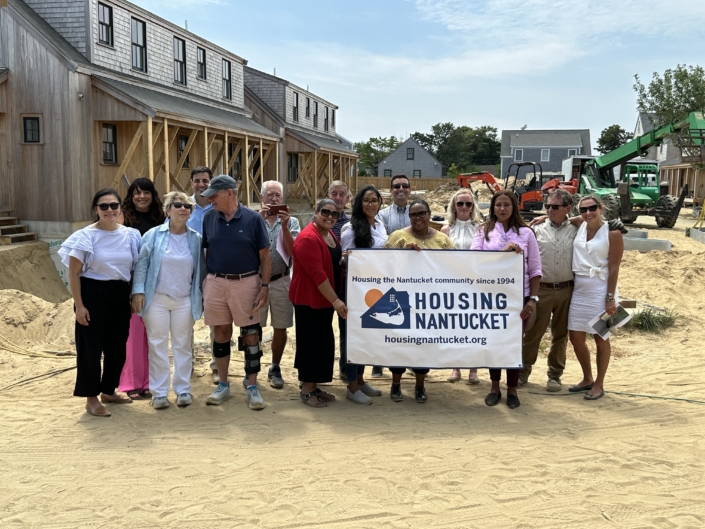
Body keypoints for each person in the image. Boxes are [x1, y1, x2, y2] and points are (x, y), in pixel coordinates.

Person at [59, 188, 141, 417]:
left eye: (113, 205)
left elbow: (135, 269)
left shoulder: (131, 235)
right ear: (96, 209)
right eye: (103, 206)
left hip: (120, 295)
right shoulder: (85, 236)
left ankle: (108, 390)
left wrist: (135, 294)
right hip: (92, 294)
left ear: (120, 208)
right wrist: (79, 306)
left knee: (117, 348)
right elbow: (74, 274)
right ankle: (91, 398)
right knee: (91, 350)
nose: (109, 210)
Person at [200, 175, 271, 410]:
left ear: (230, 192)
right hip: (216, 282)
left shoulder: (253, 219)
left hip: (247, 282)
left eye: (214, 194)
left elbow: (265, 256)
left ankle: (251, 385)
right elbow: (207, 251)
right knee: (220, 332)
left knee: (251, 334)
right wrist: (207, 282)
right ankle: (223, 384)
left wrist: (265, 286)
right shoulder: (209, 217)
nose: (210, 199)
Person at [131, 191, 206, 409]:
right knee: (157, 345)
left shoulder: (196, 239)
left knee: (183, 346)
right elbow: (142, 265)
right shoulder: (153, 235)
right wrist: (138, 291)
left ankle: (183, 390)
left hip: (184, 299)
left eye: (187, 206)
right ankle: (160, 393)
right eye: (177, 205)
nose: (183, 209)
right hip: (157, 299)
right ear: (167, 210)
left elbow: (200, 271)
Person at [470, 190, 541, 409]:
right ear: (492, 207)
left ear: (514, 207)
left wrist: (532, 299)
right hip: (491, 297)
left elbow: (535, 269)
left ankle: (511, 389)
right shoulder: (484, 231)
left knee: (513, 343)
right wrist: (504, 252)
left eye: (506, 205)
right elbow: (474, 260)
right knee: (494, 342)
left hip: (519, 298)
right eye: (498, 205)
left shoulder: (527, 233)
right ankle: (494, 386)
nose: (502, 209)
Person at [384, 199, 455, 403]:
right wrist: (403, 256)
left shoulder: (442, 240)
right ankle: (396, 384)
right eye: (413, 214)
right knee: (399, 343)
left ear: (429, 214)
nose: (418, 218)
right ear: (409, 217)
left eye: (421, 213)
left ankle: (420, 385)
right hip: (401, 300)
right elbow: (383, 264)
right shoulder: (398, 238)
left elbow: (455, 266)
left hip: (429, 303)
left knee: (423, 344)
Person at [290, 198, 347, 407]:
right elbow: (318, 275)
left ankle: (314, 385)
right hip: (309, 299)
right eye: (325, 212)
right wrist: (336, 301)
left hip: (323, 300)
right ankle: (306, 388)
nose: (330, 217)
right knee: (310, 343)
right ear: (316, 211)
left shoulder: (328, 233)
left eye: (335, 214)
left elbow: (333, 260)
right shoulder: (307, 238)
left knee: (322, 342)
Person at [566, 195, 624, 401]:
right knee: (576, 337)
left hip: (602, 288)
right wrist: (539, 218)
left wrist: (610, 298)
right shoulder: (580, 223)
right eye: (583, 209)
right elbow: (565, 218)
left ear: (601, 208)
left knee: (601, 338)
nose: (588, 213)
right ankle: (587, 377)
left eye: (592, 208)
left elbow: (615, 266)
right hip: (581, 288)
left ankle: (599, 383)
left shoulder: (614, 231)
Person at [520, 189, 577, 392]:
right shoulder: (537, 229)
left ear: (567, 209)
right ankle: (523, 371)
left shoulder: (576, 229)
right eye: (548, 206)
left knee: (560, 335)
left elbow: (593, 219)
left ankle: (554, 375)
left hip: (566, 289)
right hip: (542, 290)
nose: (550, 210)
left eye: (555, 207)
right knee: (533, 333)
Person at [118, 178, 166, 401]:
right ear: (131, 195)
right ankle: (132, 382)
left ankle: (149, 382)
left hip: (156, 283)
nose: (142, 197)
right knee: (134, 336)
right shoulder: (122, 218)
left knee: (154, 336)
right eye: (137, 193)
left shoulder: (161, 218)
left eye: (146, 192)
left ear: (152, 195)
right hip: (129, 284)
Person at [338, 185, 386, 404]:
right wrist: (350, 258)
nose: (370, 204)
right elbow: (344, 259)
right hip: (355, 289)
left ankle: (361, 378)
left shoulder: (380, 226)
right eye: (366, 200)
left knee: (366, 334)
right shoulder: (350, 228)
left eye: (374, 200)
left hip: (375, 289)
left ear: (379, 203)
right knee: (352, 336)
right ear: (359, 203)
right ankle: (351, 385)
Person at [258, 180, 300, 389]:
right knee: (253, 326)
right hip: (256, 281)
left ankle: (275, 365)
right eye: (270, 195)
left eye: (277, 196)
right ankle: (253, 364)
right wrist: (258, 220)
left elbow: (293, 252)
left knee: (281, 326)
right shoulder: (253, 219)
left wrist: (284, 226)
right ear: (262, 197)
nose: (274, 199)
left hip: (282, 278)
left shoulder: (292, 222)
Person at [372, 174, 412, 377]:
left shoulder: (417, 212)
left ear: (410, 190)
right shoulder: (383, 215)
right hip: (388, 273)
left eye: (405, 186)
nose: (401, 189)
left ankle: (410, 360)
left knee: (410, 318)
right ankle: (378, 360)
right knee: (384, 317)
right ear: (391, 190)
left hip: (413, 274)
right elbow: (383, 241)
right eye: (397, 186)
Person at [441, 189, 482, 385]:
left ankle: (473, 369)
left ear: (473, 207)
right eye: (460, 204)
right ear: (454, 206)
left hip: (475, 285)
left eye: (468, 204)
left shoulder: (481, 229)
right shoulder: (446, 230)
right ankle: (456, 367)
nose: (464, 207)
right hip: (453, 285)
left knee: (473, 326)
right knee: (454, 326)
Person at [184, 166, 218, 384]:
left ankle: (216, 365)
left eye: (205, 180)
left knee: (217, 321)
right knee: (185, 321)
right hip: (188, 271)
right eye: (197, 181)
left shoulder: (219, 205)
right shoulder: (183, 205)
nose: (201, 184)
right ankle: (187, 366)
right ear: (192, 182)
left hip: (215, 270)